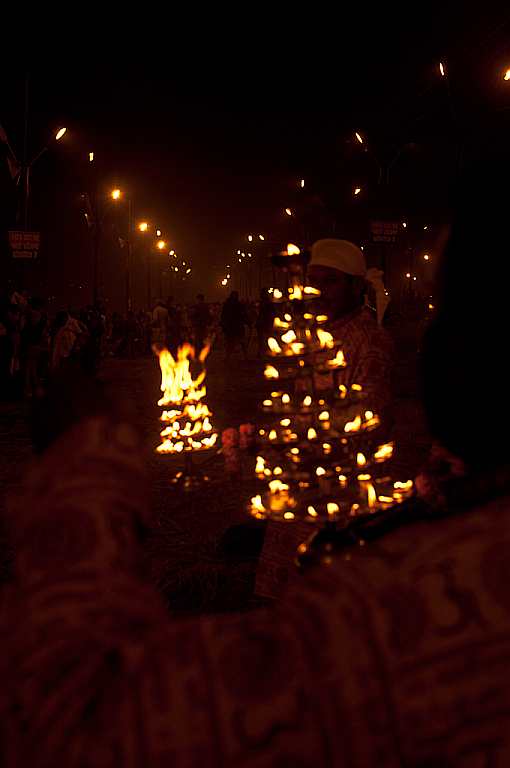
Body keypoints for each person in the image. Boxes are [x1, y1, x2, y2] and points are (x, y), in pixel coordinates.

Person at [5, 147, 510, 766]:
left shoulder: (414, 610)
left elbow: (80, 725)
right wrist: (261, 441)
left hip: (336, 500)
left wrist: (80, 470)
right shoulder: (452, 534)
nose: (315, 291)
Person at [255, 239, 395, 599]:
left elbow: (369, 422)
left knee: (329, 597)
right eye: (314, 280)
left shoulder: (370, 342)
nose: (320, 290)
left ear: (356, 286)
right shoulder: (313, 334)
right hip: (301, 475)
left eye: (331, 281)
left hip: (342, 486)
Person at [220, 290, 248, 359]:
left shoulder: (233, 304)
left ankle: (243, 355)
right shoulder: (232, 304)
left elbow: (242, 315)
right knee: (232, 342)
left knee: (237, 341)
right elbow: (224, 315)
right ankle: (228, 356)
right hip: (232, 326)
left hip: (234, 326)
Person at [256, 287, 275, 357]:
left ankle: (265, 352)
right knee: (262, 339)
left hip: (265, 322)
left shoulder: (267, 303)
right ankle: (262, 352)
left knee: (265, 338)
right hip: (263, 322)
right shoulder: (264, 302)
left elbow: (270, 313)